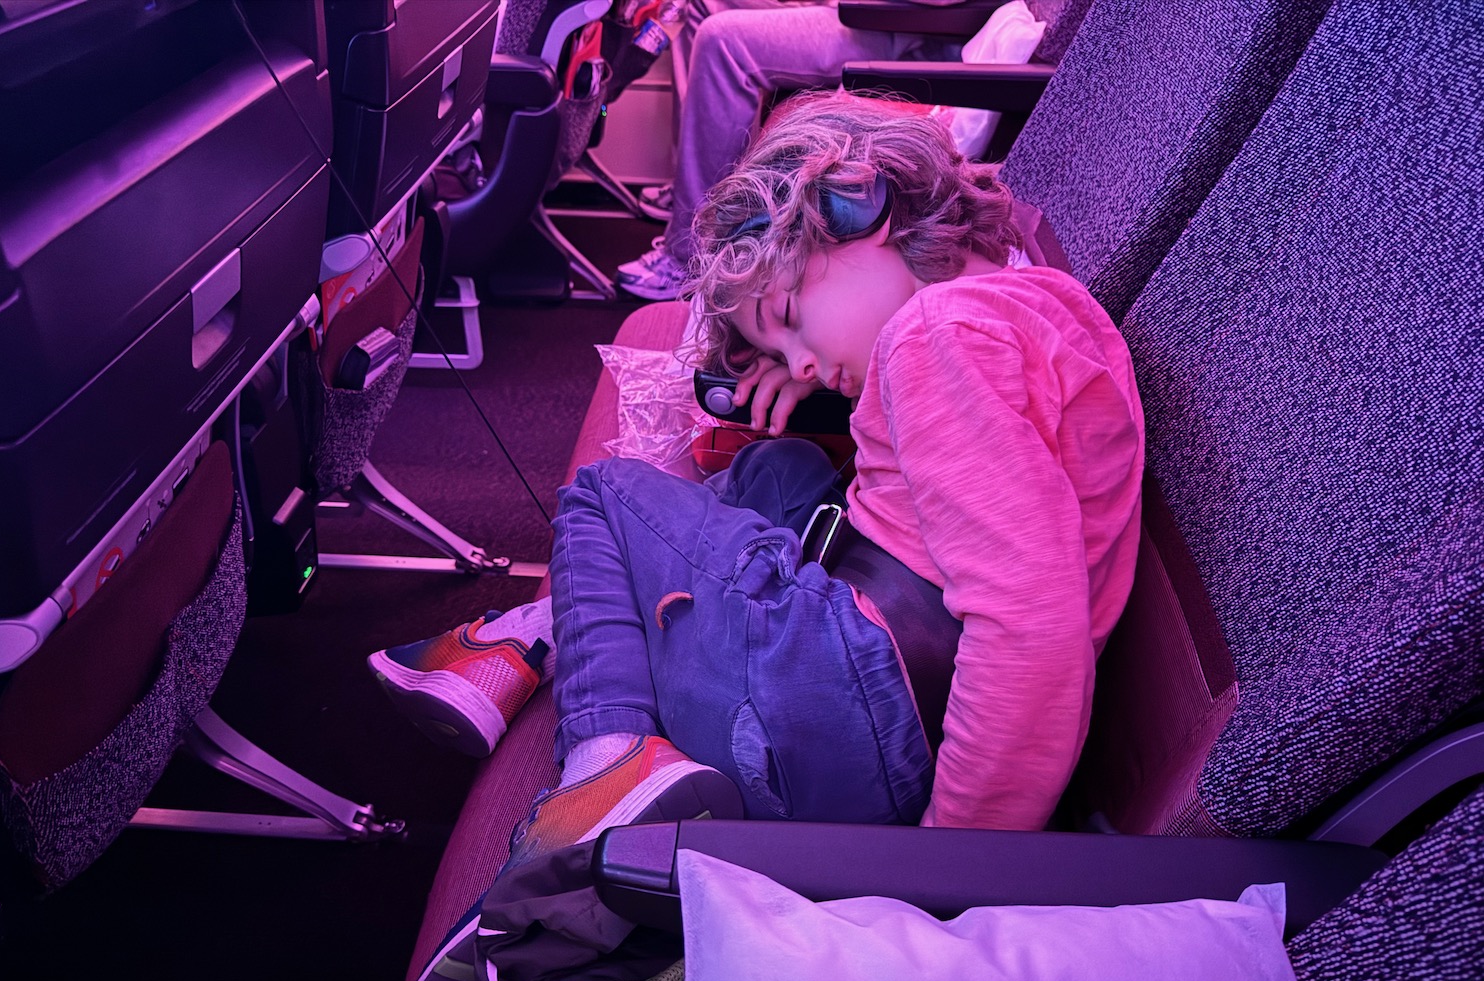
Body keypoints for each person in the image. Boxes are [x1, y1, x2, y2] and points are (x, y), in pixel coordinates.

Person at [371, 92, 1144, 868]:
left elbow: (1032, 632)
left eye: (787, 312)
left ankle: (603, 761)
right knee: (782, 469)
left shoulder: (930, 338)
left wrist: (948, 863)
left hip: (830, 715)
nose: (801, 363)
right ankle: (549, 629)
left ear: (858, 205)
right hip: (869, 699)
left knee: (606, 495)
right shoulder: (1035, 306)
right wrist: (828, 362)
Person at [618, 0, 967, 300]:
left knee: (722, 40)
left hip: (899, 25)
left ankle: (690, 255)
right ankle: (691, 190)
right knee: (698, 6)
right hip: (868, 11)